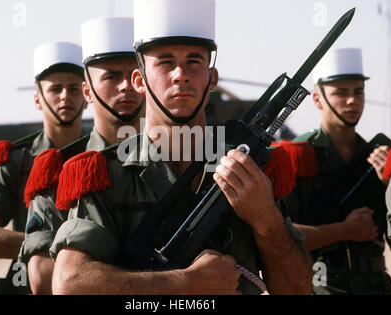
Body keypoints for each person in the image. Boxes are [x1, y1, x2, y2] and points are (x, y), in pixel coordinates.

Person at [48, 0, 312, 295]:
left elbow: (298, 289)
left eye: (194, 62)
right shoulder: (106, 176)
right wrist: (186, 283)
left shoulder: (249, 169)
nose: (180, 75)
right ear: (139, 80)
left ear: (211, 79)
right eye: (164, 62)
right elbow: (69, 284)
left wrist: (266, 220)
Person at [18, 17, 145, 294]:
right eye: (111, 76)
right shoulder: (58, 170)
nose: (126, 86)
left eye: (135, 76)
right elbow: (42, 278)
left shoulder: (180, 160)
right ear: (87, 91)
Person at [0, 41, 87, 294]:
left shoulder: (99, 158)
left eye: (74, 88)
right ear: (38, 99)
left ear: (87, 96)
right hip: (27, 283)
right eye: (55, 89)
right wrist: (61, 248)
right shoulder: (15, 160)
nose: (65, 96)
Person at [278, 47, 391, 294]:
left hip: (377, 286)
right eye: (341, 93)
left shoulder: (381, 157)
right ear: (318, 99)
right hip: (322, 285)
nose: (352, 100)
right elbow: (280, 236)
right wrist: (343, 230)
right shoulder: (296, 155)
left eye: (358, 92)